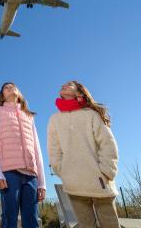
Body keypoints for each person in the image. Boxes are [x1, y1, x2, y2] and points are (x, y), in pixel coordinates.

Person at [47, 80, 120, 228]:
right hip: (74, 183)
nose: (64, 85)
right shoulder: (55, 119)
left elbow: (108, 144)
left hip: (100, 181)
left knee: (110, 224)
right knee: (85, 225)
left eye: (70, 84)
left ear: (79, 92)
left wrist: (107, 171)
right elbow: (54, 150)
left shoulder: (91, 114)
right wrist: (63, 172)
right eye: (63, 84)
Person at [0, 82, 46, 228]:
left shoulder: (29, 116)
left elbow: (37, 149)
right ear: (2, 96)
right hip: (9, 174)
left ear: (19, 93)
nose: (10, 88)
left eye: (13, 86)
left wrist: (42, 183)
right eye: (6, 87)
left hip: (31, 176)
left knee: (32, 220)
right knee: (9, 219)